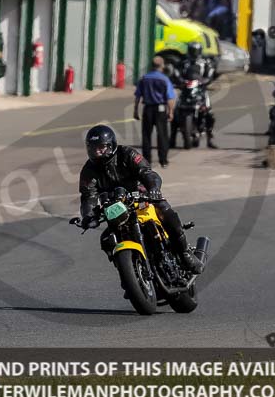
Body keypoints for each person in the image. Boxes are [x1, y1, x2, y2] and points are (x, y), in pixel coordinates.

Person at [78, 124, 204, 274]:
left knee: (165, 211)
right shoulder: (88, 171)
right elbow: (88, 196)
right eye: (94, 149)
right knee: (106, 240)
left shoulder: (127, 154)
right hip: (115, 208)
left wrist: (153, 189)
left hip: (140, 196)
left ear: (111, 145)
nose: (98, 152)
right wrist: (88, 216)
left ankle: (185, 253)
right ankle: (129, 272)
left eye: (101, 148)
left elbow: (146, 172)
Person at [134, 56, 175, 167]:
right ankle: (163, 160)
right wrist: (171, 111)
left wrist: (136, 110)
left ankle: (147, 160)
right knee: (162, 135)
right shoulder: (164, 79)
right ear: (162, 66)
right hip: (160, 109)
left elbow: (138, 96)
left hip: (148, 108)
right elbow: (170, 97)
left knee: (146, 135)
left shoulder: (144, 78)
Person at [174, 41, 216, 148]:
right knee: (175, 112)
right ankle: (172, 138)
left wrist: (205, 81)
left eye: (196, 51)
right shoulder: (184, 62)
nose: (194, 53)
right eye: (192, 51)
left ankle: (210, 138)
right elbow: (177, 72)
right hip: (186, 90)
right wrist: (180, 80)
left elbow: (210, 73)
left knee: (209, 113)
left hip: (201, 90)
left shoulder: (205, 62)